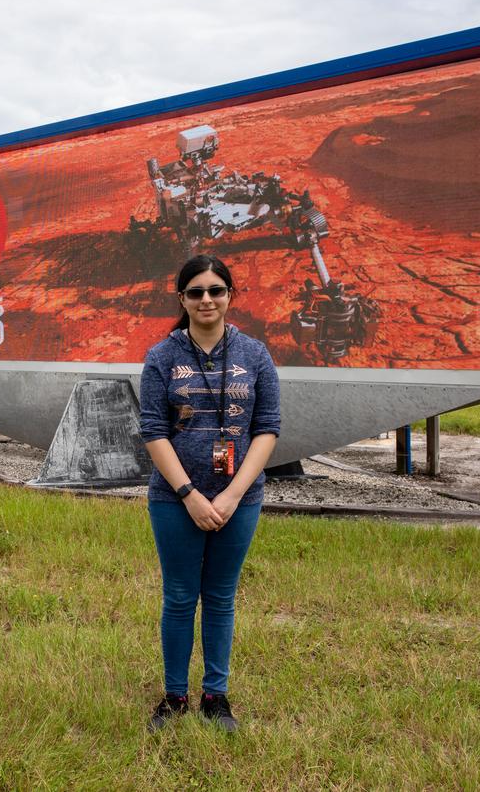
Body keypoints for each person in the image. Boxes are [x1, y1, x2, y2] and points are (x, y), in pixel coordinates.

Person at [139, 254, 280, 732]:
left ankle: (215, 697)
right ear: (181, 298)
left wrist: (233, 495)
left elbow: (267, 430)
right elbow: (154, 431)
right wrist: (190, 494)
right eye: (195, 291)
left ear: (229, 296)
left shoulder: (255, 355)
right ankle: (175, 696)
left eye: (215, 290)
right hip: (175, 500)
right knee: (179, 596)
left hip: (239, 499)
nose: (206, 299)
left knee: (221, 597)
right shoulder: (162, 357)